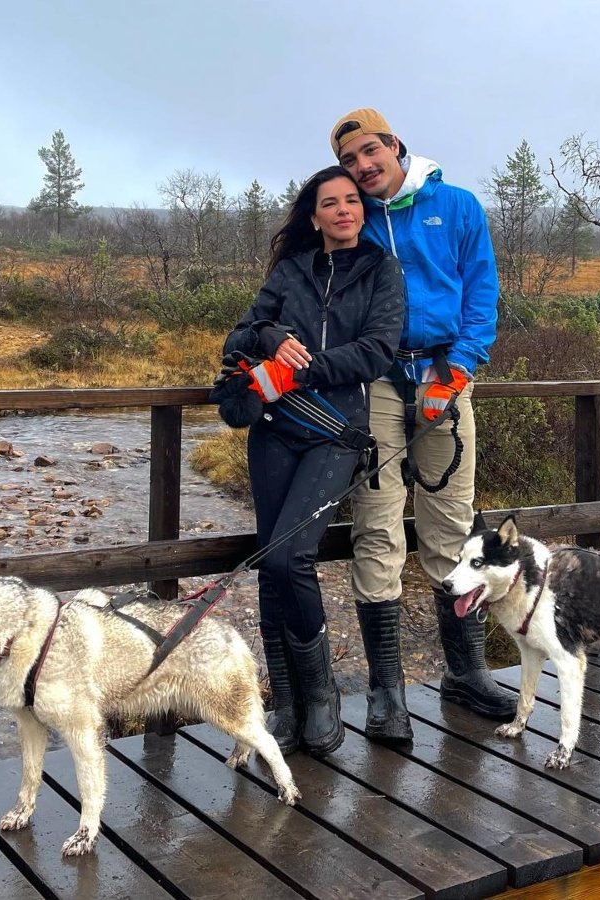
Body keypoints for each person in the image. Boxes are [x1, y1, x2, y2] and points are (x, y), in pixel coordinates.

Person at [328, 108, 517, 743]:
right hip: (378, 380)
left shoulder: (458, 206)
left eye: (369, 152)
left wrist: (458, 368)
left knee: (449, 526)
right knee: (377, 528)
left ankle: (464, 673)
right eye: (351, 160)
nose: (363, 167)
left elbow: (481, 293)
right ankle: (388, 692)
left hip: (445, 376)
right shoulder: (354, 218)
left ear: (395, 144)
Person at [212, 165, 404, 756]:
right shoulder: (291, 271)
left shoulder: (381, 270)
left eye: (353, 201)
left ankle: (322, 696)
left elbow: (377, 351)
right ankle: (288, 704)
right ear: (314, 215)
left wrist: (304, 369)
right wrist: (269, 339)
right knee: (270, 561)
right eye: (331, 203)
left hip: (335, 433)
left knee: (292, 556)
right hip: (273, 430)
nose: (345, 210)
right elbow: (238, 338)